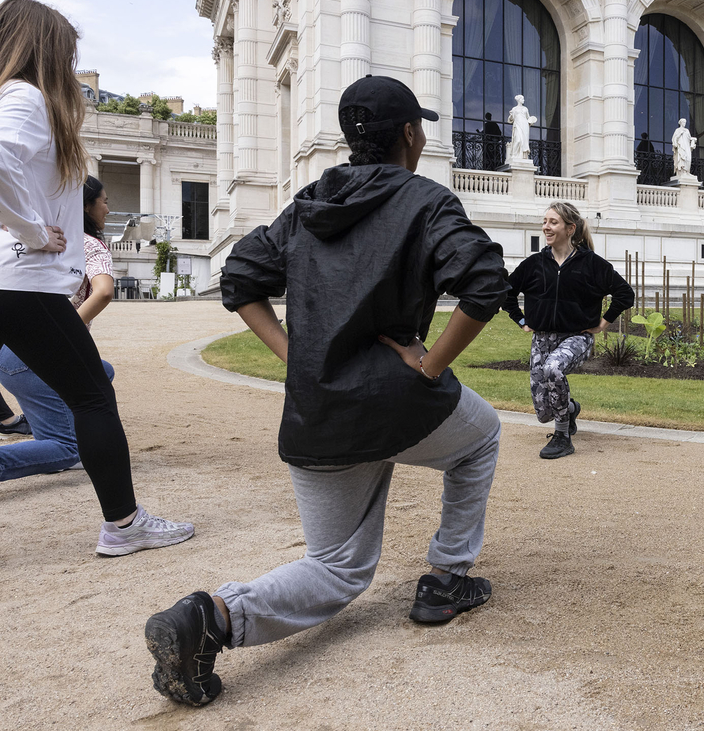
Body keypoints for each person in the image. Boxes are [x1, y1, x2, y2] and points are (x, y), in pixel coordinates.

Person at [144, 74, 510, 707]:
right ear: (408, 134)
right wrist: (428, 368)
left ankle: (210, 617)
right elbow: (484, 284)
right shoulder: (427, 199)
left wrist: (296, 359)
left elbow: (237, 278)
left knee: (336, 568)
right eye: (419, 126)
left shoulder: (310, 202)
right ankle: (447, 578)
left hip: (317, 412)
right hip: (400, 399)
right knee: (481, 440)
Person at [0, 0, 193, 555]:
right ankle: (124, 525)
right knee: (92, 398)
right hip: (23, 281)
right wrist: (35, 231)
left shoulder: (12, 98)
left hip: (14, 281)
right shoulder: (27, 98)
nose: (69, 69)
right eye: (65, 55)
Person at [0, 175, 123, 483]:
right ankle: (71, 446)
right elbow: (104, 291)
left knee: (101, 370)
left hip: (9, 356)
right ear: (85, 206)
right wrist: (70, 332)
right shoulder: (89, 245)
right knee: (66, 450)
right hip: (37, 353)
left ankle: (67, 439)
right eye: (104, 202)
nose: (108, 209)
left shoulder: (30, 236)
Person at [503, 202, 634, 460]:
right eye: (544, 222)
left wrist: (602, 323)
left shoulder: (592, 264)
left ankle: (563, 437)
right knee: (543, 412)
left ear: (570, 228)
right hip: (542, 338)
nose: (546, 227)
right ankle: (570, 409)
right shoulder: (534, 264)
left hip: (576, 337)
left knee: (553, 368)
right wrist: (520, 320)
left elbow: (624, 294)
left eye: (553, 222)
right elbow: (506, 293)